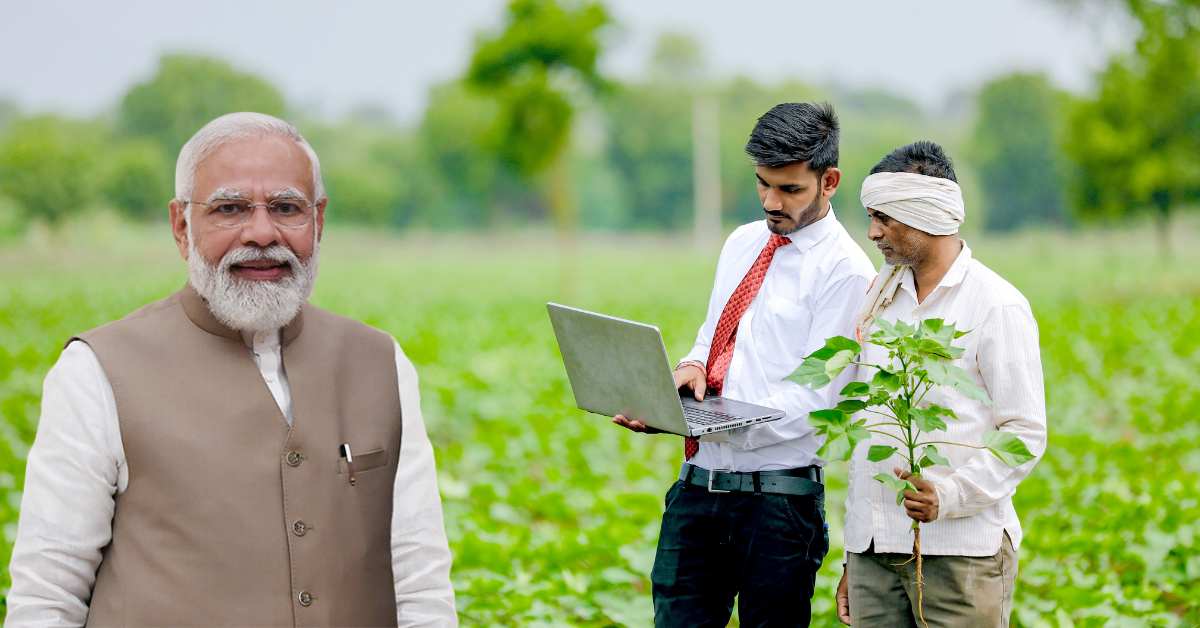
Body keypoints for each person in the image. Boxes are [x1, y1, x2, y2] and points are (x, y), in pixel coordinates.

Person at [6, 112, 457, 627]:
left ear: (319, 221)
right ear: (181, 226)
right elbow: (47, 598)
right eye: (230, 208)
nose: (261, 233)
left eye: (286, 208)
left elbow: (420, 585)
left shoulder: (380, 362)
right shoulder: (95, 372)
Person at [614, 102, 874, 627]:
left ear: (829, 182)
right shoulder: (742, 243)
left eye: (789, 189)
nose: (771, 201)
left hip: (777, 506)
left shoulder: (846, 271)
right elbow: (712, 335)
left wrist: (717, 421)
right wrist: (688, 374)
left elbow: (816, 402)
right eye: (763, 184)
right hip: (697, 488)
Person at [836, 141, 1047, 627]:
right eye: (870, 217)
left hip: (961, 555)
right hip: (874, 553)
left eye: (883, 218)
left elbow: (1024, 433)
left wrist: (948, 496)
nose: (872, 233)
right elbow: (868, 428)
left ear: (925, 213)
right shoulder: (879, 297)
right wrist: (853, 556)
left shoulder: (995, 305)